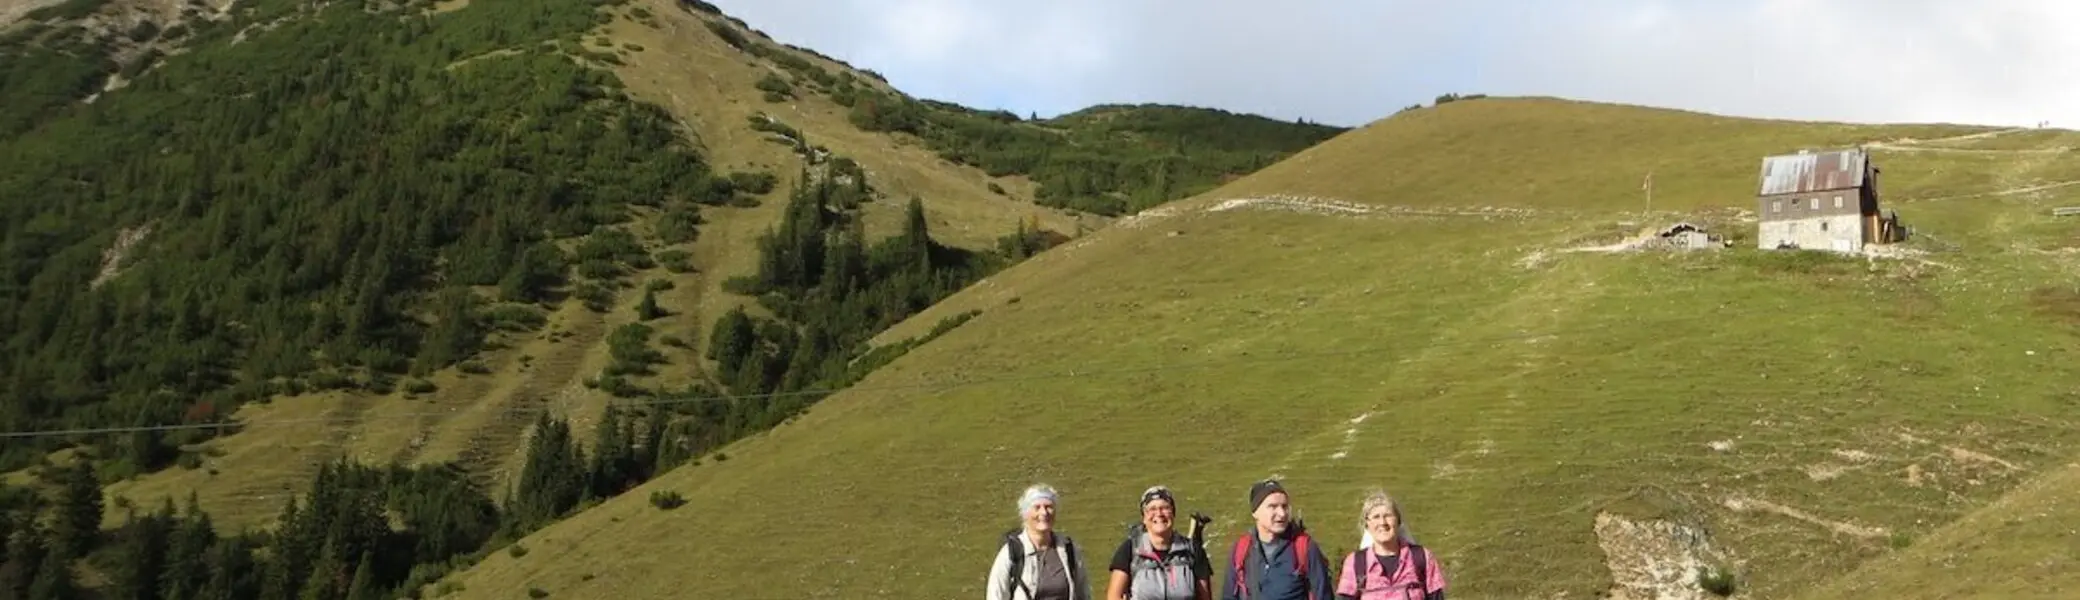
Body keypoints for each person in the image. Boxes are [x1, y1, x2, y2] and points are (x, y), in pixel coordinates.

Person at [1221, 479, 1333, 600]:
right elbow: (1229, 596)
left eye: (1284, 506)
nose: (1282, 513)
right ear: (1255, 512)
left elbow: (1323, 595)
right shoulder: (1241, 550)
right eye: (1273, 506)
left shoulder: (1304, 548)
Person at [989, 483, 1094, 600]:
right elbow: (996, 595)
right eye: (1037, 507)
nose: (1044, 512)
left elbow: (1084, 593)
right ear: (1025, 514)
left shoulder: (1069, 550)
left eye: (1049, 507)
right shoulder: (1011, 552)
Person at [1334, 490, 1446, 600]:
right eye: (1376, 517)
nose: (1382, 522)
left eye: (1388, 515)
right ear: (1367, 524)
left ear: (1398, 521)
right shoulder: (1355, 562)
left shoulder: (1422, 557)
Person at [1106, 485, 1213, 600]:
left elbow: (1205, 598)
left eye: (1165, 508)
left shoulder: (1193, 551)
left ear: (1173, 514)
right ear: (1144, 517)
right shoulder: (1130, 549)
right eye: (1152, 509)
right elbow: (1113, 596)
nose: (1159, 513)